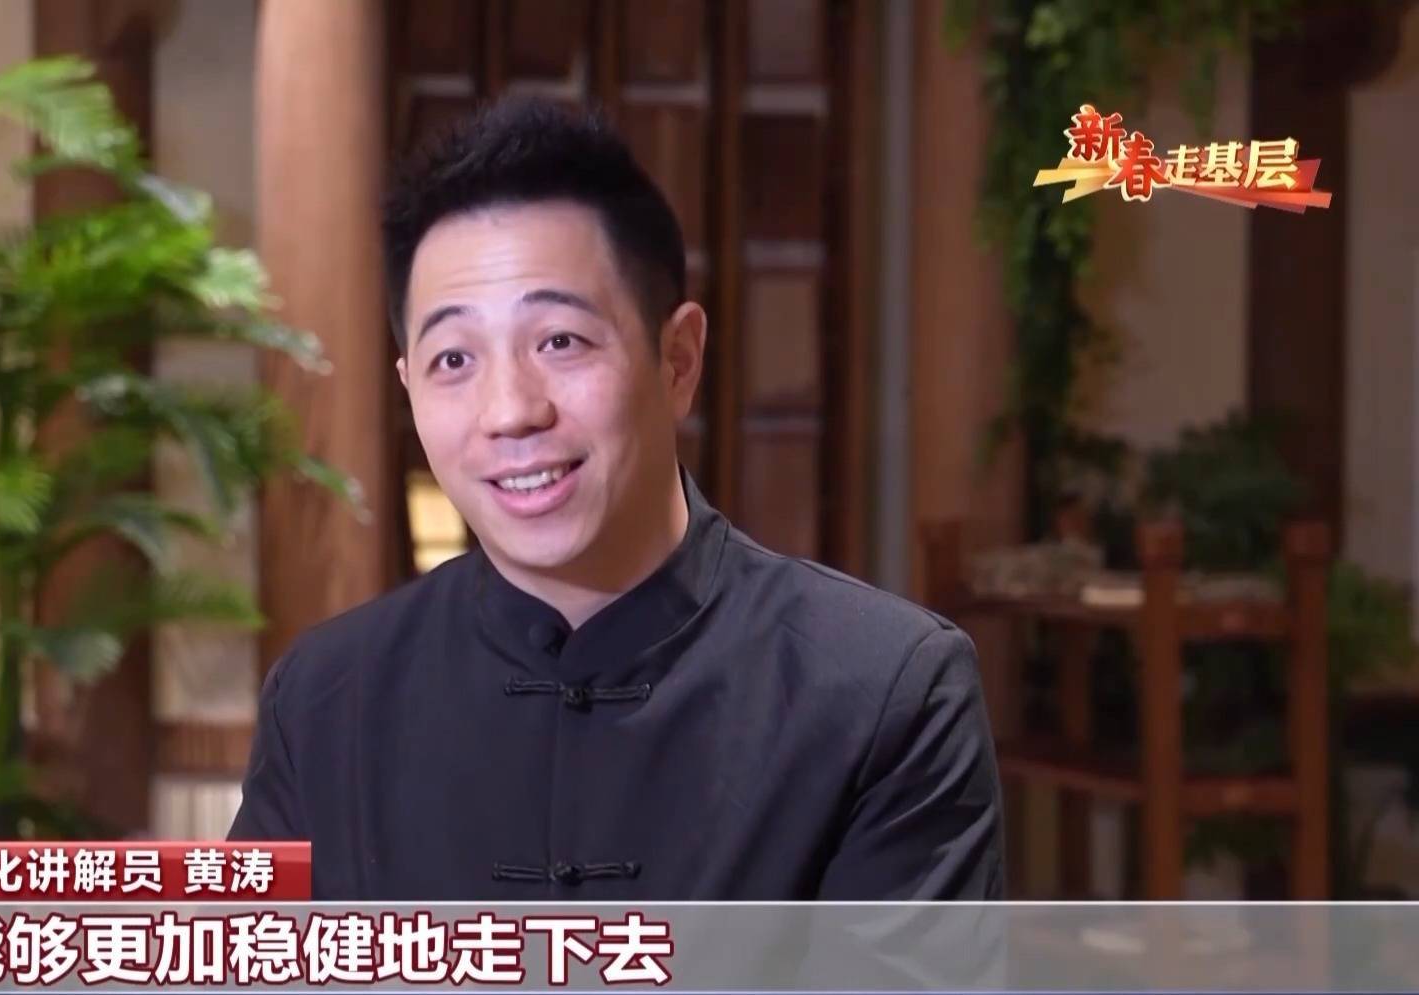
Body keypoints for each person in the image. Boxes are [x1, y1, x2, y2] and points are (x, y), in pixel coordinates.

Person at [229, 96, 1004, 900]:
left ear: (678, 360)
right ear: (409, 389)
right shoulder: (323, 702)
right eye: (453, 359)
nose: (510, 411)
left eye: (560, 341)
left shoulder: (884, 692)